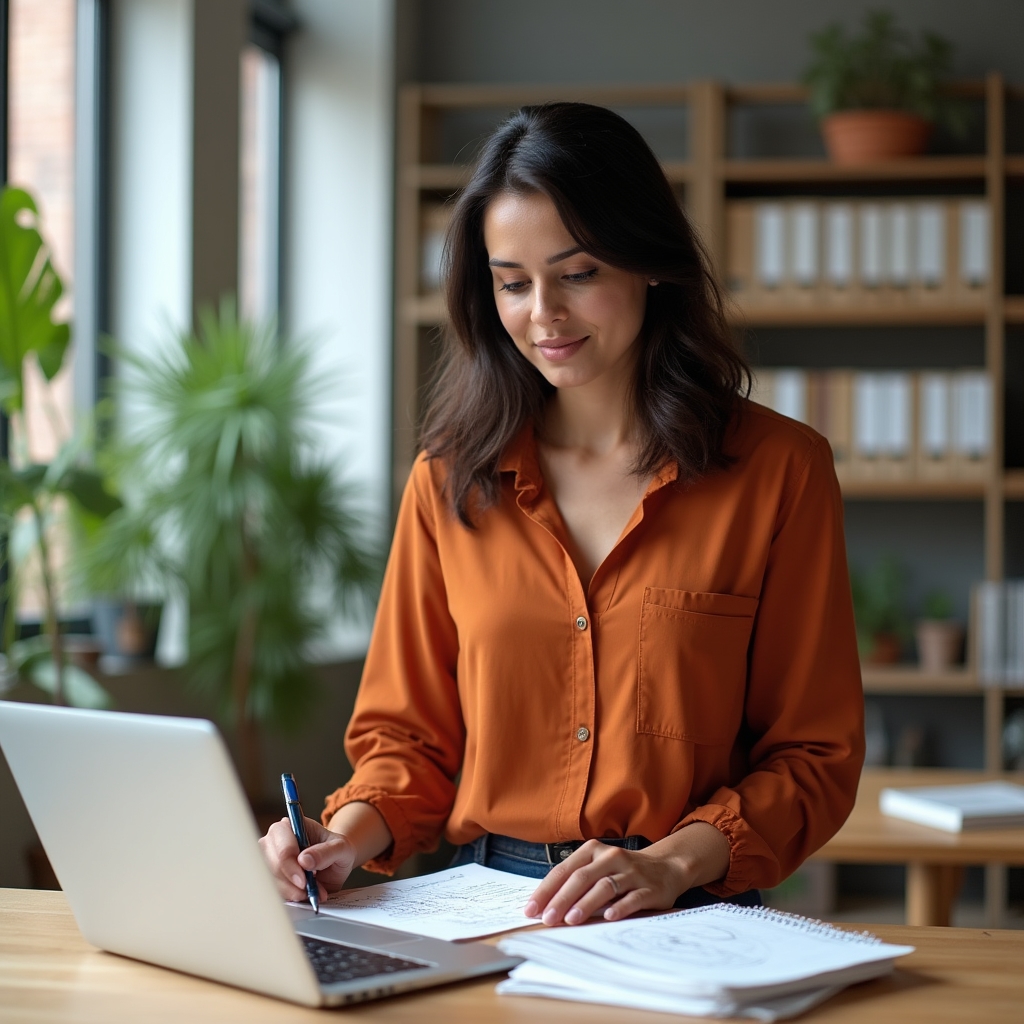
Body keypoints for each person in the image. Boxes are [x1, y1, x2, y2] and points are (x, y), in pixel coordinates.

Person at [260, 102, 864, 928]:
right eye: (513, 283)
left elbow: (814, 754)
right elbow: (408, 743)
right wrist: (340, 839)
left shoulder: (779, 471)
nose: (542, 313)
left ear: (649, 263)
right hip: (483, 905)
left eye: (577, 274)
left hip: (685, 906)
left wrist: (670, 862)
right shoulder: (448, 481)